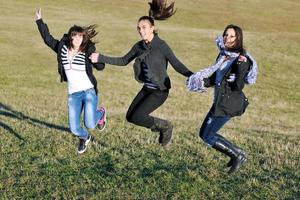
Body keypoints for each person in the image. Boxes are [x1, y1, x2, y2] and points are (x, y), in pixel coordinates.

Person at [89, 0, 194, 146]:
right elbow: (123, 60)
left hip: (159, 91)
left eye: (144, 27)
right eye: (139, 28)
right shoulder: (139, 46)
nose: (141, 31)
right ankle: (161, 127)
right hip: (146, 89)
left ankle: (166, 127)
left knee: (138, 116)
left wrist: (195, 76)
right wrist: (100, 57)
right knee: (130, 117)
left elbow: (177, 65)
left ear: (152, 28)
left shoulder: (161, 46)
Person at [35, 8, 107, 154]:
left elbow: (101, 67)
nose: (77, 39)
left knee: (90, 123)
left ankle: (101, 114)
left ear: (83, 38)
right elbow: (48, 39)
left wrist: (98, 59)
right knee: (74, 129)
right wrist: (39, 21)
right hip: (73, 94)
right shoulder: (62, 48)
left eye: (80, 37)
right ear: (70, 37)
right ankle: (84, 137)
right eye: (74, 36)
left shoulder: (87, 51)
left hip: (88, 91)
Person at [188, 24, 256, 174]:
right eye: (226, 35)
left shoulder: (242, 59)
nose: (227, 38)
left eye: (232, 36)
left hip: (229, 104)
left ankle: (237, 155)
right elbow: (214, 79)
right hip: (221, 102)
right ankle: (236, 153)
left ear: (238, 39)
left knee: (207, 135)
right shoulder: (223, 55)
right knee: (205, 134)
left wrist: (239, 70)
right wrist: (198, 81)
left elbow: (238, 86)